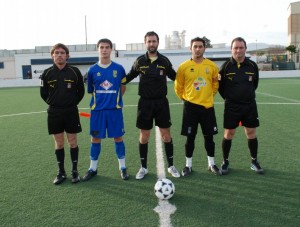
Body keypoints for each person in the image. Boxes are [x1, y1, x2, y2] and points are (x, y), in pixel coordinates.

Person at [124, 31, 180, 180]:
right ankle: (143, 167)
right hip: (145, 103)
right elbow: (129, 76)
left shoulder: (164, 61)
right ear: (145, 43)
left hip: (161, 102)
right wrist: (115, 82)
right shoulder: (140, 61)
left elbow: (176, 77)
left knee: (166, 135)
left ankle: (171, 165)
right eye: (149, 41)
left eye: (154, 41)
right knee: (144, 136)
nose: (151, 44)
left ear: (158, 42)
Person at [82, 38, 129, 181]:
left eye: (107, 47)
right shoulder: (92, 70)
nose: (104, 50)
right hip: (98, 111)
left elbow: (123, 87)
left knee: (118, 137)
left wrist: (115, 99)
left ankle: (123, 168)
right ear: (98, 49)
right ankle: (93, 168)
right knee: (95, 138)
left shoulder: (119, 69)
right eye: (101, 47)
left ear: (111, 50)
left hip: (114, 110)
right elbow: (91, 90)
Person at [174, 37, 221, 177]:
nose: (198, 49)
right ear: (191, 48)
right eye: (195, 46)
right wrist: (185, 99)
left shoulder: (212, 66)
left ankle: (211, 164)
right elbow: (178, 87)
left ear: (204, 48)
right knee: (190, 138)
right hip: (190, 108)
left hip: (207, 108)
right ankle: (188, 166)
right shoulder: (183, 67)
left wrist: (208, 97)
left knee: (209, 137)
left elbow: (215, 84)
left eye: (200, 46)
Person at [40, 43, 85, 185]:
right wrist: (55, 103)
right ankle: (61, 172)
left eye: (62, 52)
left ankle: (75, 171)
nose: (59, 55)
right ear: (52, 56)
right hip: (54, 113)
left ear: (67, 55)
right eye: (56, 52)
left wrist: (70, 103)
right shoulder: (46, 73)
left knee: (72, 142)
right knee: (59, 143)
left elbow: (81, 92)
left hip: (71, 111)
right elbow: (43, 93)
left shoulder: (75, 72)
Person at [218, 37, 264, 174]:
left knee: (251, 133)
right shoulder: (225, 67)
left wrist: (245, 95)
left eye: (241, 47)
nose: (238, 50)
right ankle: (225, 161)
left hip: (249, 105)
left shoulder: (252, 66)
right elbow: (221, 88)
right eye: (235, 48)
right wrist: (231, 98)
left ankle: (254, 161)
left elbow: (254, 84)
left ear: (245, 49)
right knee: (229, 133)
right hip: (232, 106)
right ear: (231, 49)